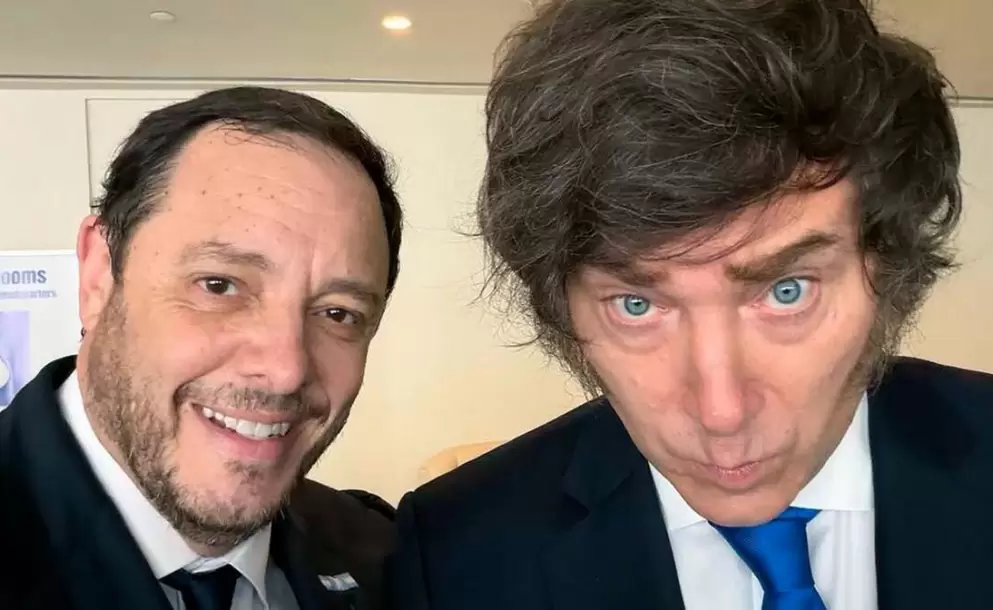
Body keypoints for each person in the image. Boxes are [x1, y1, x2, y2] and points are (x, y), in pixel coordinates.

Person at [385, 1, 993, 609]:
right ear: (562, 310)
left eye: (787, 291)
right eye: (635, 305)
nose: (721, 413)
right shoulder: (456, 556)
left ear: (887, 267)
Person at [0, 86, 402, 610]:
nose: (285, 369)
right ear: (99, 274)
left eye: (337, 313)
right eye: (220, 285)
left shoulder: (389, 560)